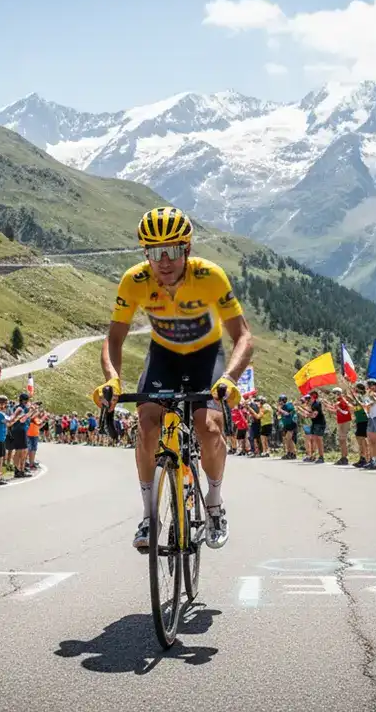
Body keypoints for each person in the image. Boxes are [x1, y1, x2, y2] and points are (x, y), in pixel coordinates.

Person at [94, 206, 254, 550]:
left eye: (172, 251)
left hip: (206, 357)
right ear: (145, 253)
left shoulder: (211, 276)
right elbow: (113, 339)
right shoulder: (134, 281)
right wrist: (112, 380)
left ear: (187, 249)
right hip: (163, 357)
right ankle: (150, 516)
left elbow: (244, 337)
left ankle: (213, 503)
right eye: (153, 252)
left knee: (207, 427)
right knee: (147, 425)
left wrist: (230, 378)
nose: (163, 261)